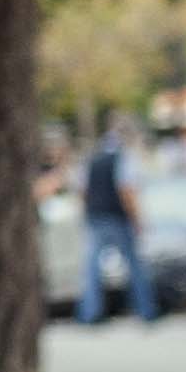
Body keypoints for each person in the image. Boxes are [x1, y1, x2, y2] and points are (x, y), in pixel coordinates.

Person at [74, 110, 156, 329]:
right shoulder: (124, 157)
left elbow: (81, 190)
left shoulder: (92, 157)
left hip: (96, 217)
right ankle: (146, 310)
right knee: (135, 267)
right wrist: (138, 220)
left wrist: (87, 212)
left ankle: (90, 313)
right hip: (117, 218)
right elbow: (126, 191)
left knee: (92, 269)